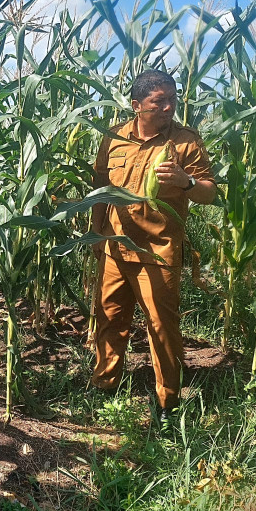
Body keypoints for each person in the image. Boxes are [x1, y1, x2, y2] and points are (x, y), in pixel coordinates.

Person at [90, 69, 216, 425]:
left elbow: (210, 192)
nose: (168, 108)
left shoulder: (186, 141)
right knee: (110, 319)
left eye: (173, 100)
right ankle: (104, 387)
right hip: (115, 246)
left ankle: (167, 404)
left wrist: (186, 181)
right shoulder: (113, 137)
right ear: (137, 105)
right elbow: (100, 186)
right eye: (159, 102)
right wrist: (97, 232)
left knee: (161, 326)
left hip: (157, 251)